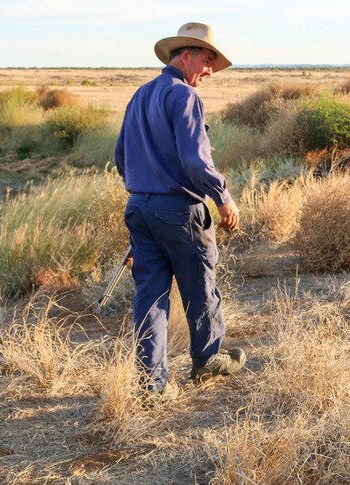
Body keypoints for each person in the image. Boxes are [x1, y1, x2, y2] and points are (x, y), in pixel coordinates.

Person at [114, 22, 245, 401]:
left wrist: (145, 185)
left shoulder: (140, 95)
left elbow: (121, 156)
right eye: (207, 60)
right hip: (179, 210)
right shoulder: (184, 96)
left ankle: (151, 386)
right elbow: (194, 161)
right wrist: (222, 196)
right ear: (185, 55)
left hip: (138, 208)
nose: (208, 70)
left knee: (150, 298)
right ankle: (208, 360)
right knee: (199, 287)